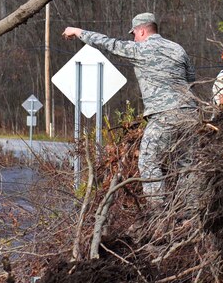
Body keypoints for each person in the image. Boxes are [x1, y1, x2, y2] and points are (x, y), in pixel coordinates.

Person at [63, 12, 197, 199]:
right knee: (188, 166)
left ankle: (157, 213)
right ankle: (190, 215)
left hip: (164, 116)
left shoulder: (140, 49)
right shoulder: (178, 49)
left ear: (141, 31)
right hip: (191, 114)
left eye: (133, 33)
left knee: (149, 162)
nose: (133, 37)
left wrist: (78, 31)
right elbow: (191, 79)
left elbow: (108, 43)